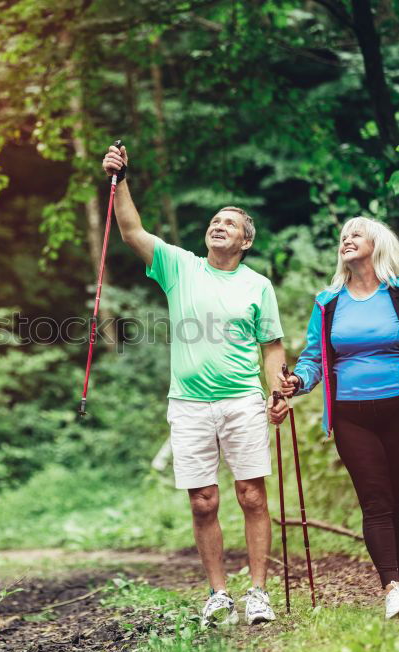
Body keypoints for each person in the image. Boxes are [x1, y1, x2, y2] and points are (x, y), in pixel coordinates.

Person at [102, 144, 286, 626]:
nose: (217, 225)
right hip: (188, 404)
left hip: (243, 400)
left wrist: (277, 391)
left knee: (252, 495)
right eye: (214, 220)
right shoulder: (179, 265)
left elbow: (271, 345)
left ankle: (259, 593)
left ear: (245, 241)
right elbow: (130, 230)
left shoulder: (257, 285)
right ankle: (219, 594)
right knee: (203, 501)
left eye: (229, 223)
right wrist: (119, 181)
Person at [271, 216, 399, 619]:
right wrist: (299, 381)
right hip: (351, 416)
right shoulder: (328, 303)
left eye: (356, 234)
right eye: (344, 236)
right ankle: (392, 587)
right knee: (375, 501)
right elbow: (314, 358)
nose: (347, 239)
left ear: (377, 244)